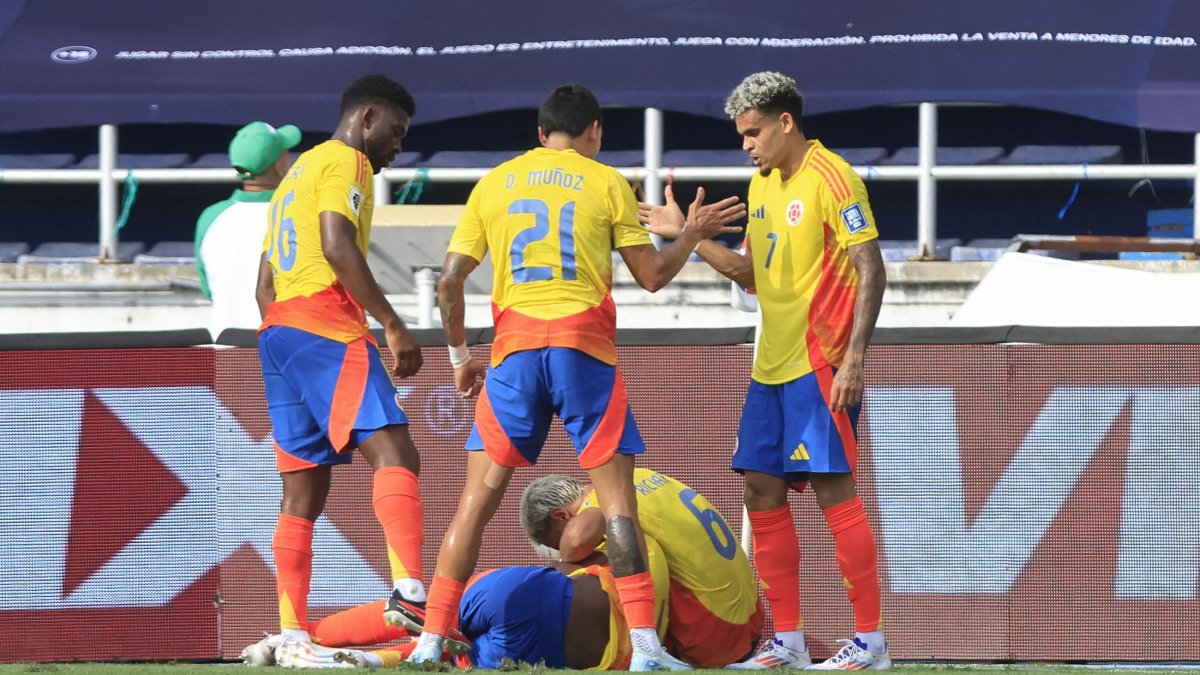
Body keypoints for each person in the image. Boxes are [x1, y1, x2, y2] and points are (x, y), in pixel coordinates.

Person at [406, 83, 745, 671]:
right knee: (618, 507)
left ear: (540, 134)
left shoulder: (494, 183)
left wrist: (461, 358)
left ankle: (430, 640)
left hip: (513, 352)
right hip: (583, 347)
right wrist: (688, 234)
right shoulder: (607, 181)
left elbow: (448, 281)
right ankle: (645, 649)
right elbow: (652, 277)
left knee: (474, 505)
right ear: (595, 132)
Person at [639, 71, 890, 670]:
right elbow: (751, 274)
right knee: (758, 489)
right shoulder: (761, 186)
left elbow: (872, 268)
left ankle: (871, 643)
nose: (747, 146)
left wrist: (854, 358)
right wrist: (690, 236)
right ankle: (790, 642)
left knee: (834, 493)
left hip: (820, 360)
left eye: (754, 133)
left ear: (786, 122)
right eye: (741, 137)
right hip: (771, 365)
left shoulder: (834, 178)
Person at [249, 73, 428, 655]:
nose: (397, 148)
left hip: (277, 332)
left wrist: (288, 334)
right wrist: (392, 324)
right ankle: (408, 593)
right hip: (325, 323)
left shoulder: (288, 179)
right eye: (396, 133)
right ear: (367, 118)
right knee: (395, 449)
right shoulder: (345, 161)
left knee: (302, 490)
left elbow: (263, 284)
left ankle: (294, 634)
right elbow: (337, 245)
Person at [520, 470, 764, 668]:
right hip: (749, 626)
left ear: (561, 515)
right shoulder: (638, 475)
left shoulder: (604, 498)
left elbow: (575, 543)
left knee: (627, 544)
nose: (558, 550)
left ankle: (644, 649)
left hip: (714, 642)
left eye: (554, 543)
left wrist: (566, 562)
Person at [194, 120, 301, 339]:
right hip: (283, 352)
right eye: (286, 154)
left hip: (226, 355)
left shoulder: (210, 218)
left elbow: (208, 290)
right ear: (280, 166)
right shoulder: (297, 213)